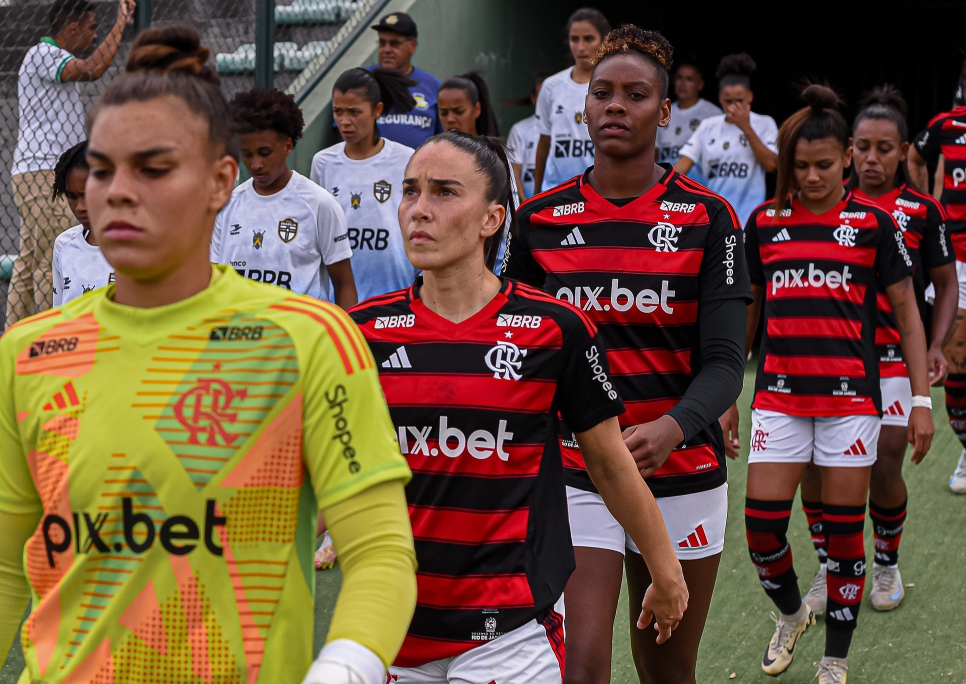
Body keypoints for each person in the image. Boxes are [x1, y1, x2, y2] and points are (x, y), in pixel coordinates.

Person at [0, 23, 417, 684]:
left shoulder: (307, 340)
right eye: (103, 170)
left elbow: (381, 551)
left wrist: (341, 669)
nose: (118, 191)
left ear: (222, 181)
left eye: (154, 168)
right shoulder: (29, 353)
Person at [350, 129, 687, 684]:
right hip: (388, 625)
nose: (419, 210)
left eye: (444, 192)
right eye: (410, 191)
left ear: (492, 218)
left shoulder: (556, 329)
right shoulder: (363, 333)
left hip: (508, 629)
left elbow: (607, 461)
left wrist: (665, 568)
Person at [504, 25, 751, 684]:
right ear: (583, 106)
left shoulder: (709, 218)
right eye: (603, 93)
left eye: (636, 95)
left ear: (665, 112)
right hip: (578, 473)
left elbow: (727, 360)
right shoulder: (539, 222)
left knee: (667, 670)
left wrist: (675, 427)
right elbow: (523, 352)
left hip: (682, 472)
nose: (616, 106)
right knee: (581, 667)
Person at [742, 84, 934, 684]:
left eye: (824, 165)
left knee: (846, 539)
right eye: (800, 166)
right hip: (778, 399)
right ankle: (793, 614)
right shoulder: (765, 223)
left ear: (846, 157)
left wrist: (922, 400)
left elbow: (906, 311)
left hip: (853, 404)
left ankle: (835, 660)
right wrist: (726, 394)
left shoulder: (873, 224)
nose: (813, 176)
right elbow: (748, 314)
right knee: (761, 532)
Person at [798, 86, 957, 615]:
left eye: (884, 148)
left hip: (891, 358)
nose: (872, 158)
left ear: (903, 149)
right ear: (847, 150)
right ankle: (828, 565)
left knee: (885, 462)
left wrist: (935, 344)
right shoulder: (818, 202)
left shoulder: (921, 210)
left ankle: (885, 561)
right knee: (815, 472)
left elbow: (944, 281)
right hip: (828, 357)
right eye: (862, 147)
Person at [6, 0, 136, 326]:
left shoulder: (49, 58)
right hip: (43, 168)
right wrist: (121, 21)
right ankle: (49, 346)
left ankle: (13, 341)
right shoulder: (44, 54)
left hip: (36, 169)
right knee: (46, 258)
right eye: (92, 28)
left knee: (28, 260)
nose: (95, 36)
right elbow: (93, 68)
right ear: (73, 28)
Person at [212, 88, 358, 309]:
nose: (255, 164)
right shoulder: (226, 207)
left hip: (300, 339)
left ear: (288, 146)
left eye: (265, 152)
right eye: (247, 154)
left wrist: (346, 338)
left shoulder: (319, 204)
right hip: (240, 337)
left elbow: (344, 285)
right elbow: (214, 284)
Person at [908, 62, 966, 492]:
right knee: (957, 371)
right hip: (959, 261)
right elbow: (915, 155)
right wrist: (929, 203)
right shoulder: (947, 126)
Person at [311, 67, 418, 301]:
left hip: (395, 294)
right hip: (339, 299)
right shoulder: (323, 163)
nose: (344, 121)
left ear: (376, 110)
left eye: (354, 112)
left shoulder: (406, 159)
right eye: (338, 112)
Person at [674, 53, 778, 227]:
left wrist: (746, 127)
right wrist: (658, 187)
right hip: (715, 222)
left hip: (750, 222)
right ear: (720, 98)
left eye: (740, 100)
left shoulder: (764, 123)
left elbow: (772, 165)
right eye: (729, 101)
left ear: (750, 97)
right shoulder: (708, 126)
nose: (734, 106)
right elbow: (683, 164)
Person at [533, 7, 611, 193]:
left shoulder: (613, 86)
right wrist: (537, 195)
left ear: (604, 40)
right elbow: (544, 144)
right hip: (555, 191)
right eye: (574, 39)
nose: (581, 47)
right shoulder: (551, 86)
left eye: (588, 38)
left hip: (599, 193)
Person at [50, 140, 114, 305]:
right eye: (71, 196)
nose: (80, 207)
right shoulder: (64, 245)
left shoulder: (138, 246)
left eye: (86, 195)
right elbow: (59, 312)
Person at [368, 11, 443, 148]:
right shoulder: (364, 79)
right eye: (382, 43)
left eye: (394, 43)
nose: (386, 49)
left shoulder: (432, 84)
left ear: (412, 45)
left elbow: (443, 136)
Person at [655, 61, 721, 185]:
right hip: (664, 186)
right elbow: (655, 152)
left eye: (689, 79)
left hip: (698, 188)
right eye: (679, 78)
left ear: (700, 85)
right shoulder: (663, 111)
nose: (682, 84)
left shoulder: (713, 114)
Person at [507, 72, 549, 200]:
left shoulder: (567, 128)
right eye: (540, 96)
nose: (544, 101)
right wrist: (525, 205)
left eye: (547, 96)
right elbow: (514, 172)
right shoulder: (520, 130)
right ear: (533, 98)